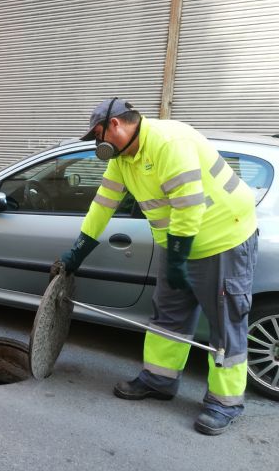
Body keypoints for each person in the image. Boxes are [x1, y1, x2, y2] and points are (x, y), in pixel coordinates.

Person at [58, 98, 258, 435]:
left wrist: (178, 256)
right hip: (177, 243)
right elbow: (103, 204)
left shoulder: (168, 141)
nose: (97, 143)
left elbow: (188, 204)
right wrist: (78, 251)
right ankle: (159, 380)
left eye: (97, 135)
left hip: (224, 239)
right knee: (169, 314)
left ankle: (225, 403)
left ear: (115, 125)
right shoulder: (124, 159)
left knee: (226, 322)